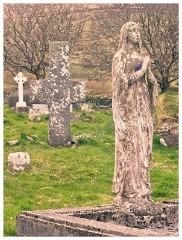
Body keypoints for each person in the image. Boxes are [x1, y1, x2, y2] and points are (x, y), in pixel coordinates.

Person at [112, 22, 158, 206]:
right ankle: (129, 191)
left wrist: (151, 79)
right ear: (125, 34)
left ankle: (142, 190)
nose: (137, 34)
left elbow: (151, 82)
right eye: (133, 31)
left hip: (142, 106)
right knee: (131, 144)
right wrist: (143, 69)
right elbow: (121, 82)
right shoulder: (120, 56)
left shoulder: (140, 56)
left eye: (138, 31)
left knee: (143, 144)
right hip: (129, 107)